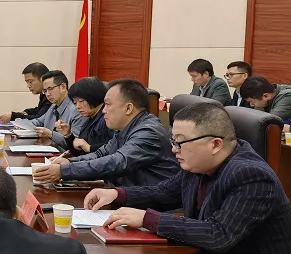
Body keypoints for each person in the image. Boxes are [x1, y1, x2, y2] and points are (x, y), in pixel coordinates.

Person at [84, 102, 291, 254]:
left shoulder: (251, 176)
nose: (174, 150)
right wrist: (117, 194)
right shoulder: (200, 164)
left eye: (180, 143)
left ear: (215, 144)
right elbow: (163, 192)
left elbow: (219, 234)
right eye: (173, 141)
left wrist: (147, 218)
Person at [35, 79, 179, 187]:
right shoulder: (126, 128)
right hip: (127, 196)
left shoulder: (148, 131)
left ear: (128, 108)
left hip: (152, 206)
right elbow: (101, 154)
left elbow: (117, 162)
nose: (103, 110)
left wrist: (65, 171)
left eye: (108, 104)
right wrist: (69, 162)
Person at [16, 70, 86, 149]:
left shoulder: (77, 110)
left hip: (65, 154)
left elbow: (76, 144)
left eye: (50, 89)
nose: (47, 94)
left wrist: (51, 135)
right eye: (45, 91)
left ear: (63, 87)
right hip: (49, 150)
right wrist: (22, 124)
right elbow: (38, 122)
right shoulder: (53, 106)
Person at [54, 77, 114, 155]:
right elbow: (78, 152)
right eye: (75, 103)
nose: (78, 106)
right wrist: (68, 135)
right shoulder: (88, 120)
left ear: (93, 96)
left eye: (81, 101)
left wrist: (90, 147)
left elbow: (116, 147)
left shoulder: (108, 117)